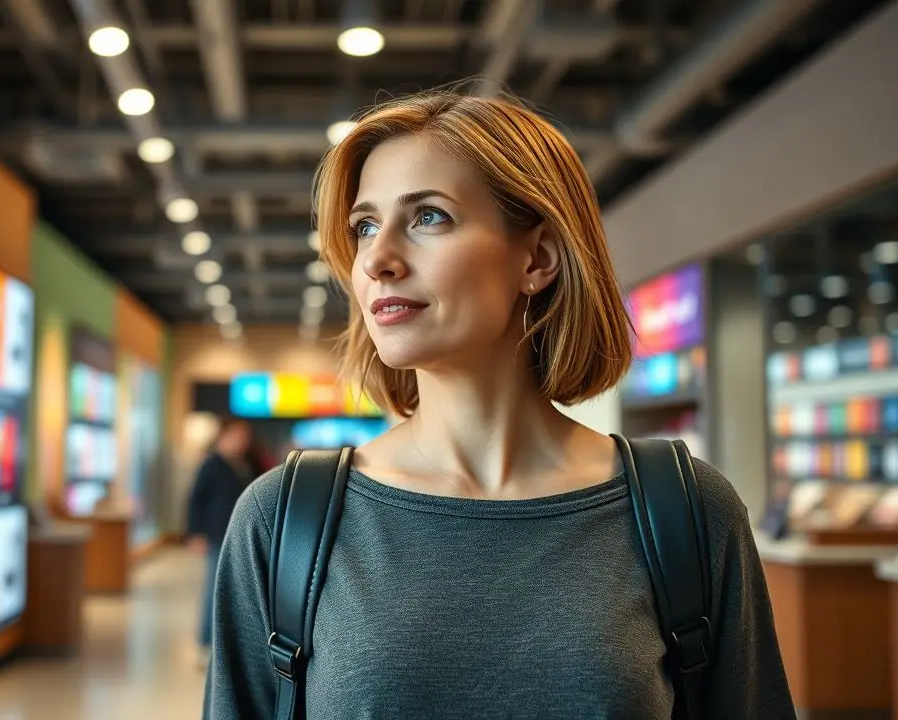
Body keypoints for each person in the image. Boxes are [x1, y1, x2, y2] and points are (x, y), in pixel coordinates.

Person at [204, 90, 795, 719]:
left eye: (429, 216)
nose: (376, 259)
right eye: (365, 226)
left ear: (536, 257)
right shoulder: (285, 520)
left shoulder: (688, 511)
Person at [187, 416, 255, 664]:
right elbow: (195, 500)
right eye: (238, 435)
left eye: (245, 437)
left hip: (236, 535)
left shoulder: (242, 464)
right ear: (224, 435)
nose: (243, 441)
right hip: (216, 536)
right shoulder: (212, 465)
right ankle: (205, 644)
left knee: (235, 591)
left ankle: (227, 644)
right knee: (215, 590)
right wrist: (195, 533)